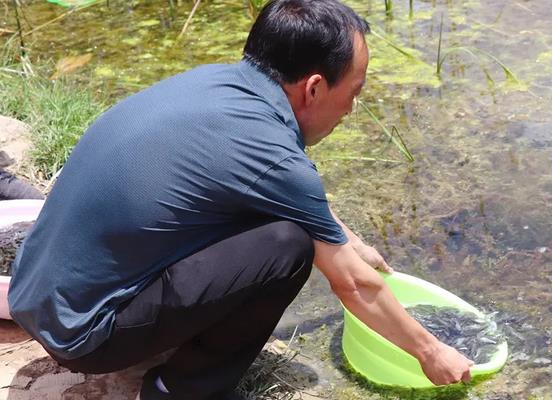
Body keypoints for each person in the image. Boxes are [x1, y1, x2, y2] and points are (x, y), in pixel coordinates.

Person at [8, 0, 473, 399]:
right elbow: (353, 286)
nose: (352, 110)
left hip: (35, 291)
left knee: (274, 221)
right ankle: (181, 389)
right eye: (354, 93)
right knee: (288, 246)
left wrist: (346, 239)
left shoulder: (216, 84)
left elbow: (278, 185)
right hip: (86, 336)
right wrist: (432, 353)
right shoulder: (272, 154)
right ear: (314, 87)